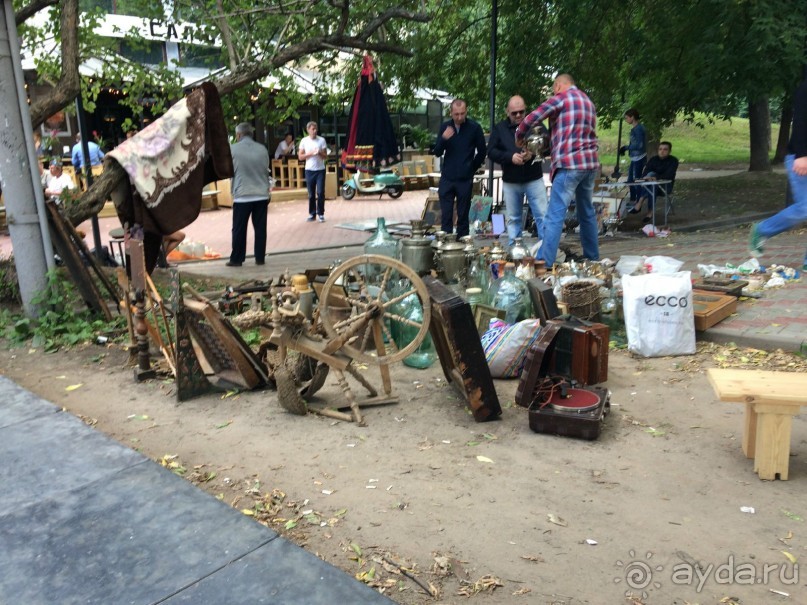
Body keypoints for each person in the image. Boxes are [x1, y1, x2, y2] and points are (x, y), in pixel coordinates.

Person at [515, 74, 600, 267]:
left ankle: (544, 264)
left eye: (554, 88)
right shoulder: (588, 101)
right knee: (586, 212)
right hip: (589, 164)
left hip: (569, 164)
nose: (554, 92)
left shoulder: (561, 98)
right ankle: (593, 259)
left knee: (554, 215)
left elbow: (533, 117)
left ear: (559, 85)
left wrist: (519, 135)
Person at [749, 76, 807, 264]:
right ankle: (762, 229)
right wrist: (801, 155)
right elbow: (800, 122)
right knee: (805, 207)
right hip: (801, 157)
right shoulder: (805, 88)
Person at [487, 95, 548, 245]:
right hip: (511, 180)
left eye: (522, 111)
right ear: (507, 111)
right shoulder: (499, 128)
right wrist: (510, 157)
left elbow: (549, 145)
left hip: (534, 178)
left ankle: (546, 252)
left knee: (543, 216)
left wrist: (533, 153)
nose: (519, 115)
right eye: (514, 113)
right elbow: (491, 151)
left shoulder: (536, 125)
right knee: (513, 219)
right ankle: (515, 254)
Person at [432, 98, 487, 238]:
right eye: (456, 114)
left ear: (466, 111)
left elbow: (482, 152)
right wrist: (443, 139)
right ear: (451, 113)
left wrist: (471, 169)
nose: (459, 117)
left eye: (462, 113)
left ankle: (463, 248)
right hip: (447, 178)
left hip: (464, 179)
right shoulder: (445, 127)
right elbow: (437, 152)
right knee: (446, 216)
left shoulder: (474, 128)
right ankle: (446, 247)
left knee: (462, 216)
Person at [227, 122, 271, 267]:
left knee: (239, 229)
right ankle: (260, 258)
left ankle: (237, 259)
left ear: (238, 135)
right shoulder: (262, 149)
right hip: (261, 194)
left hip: (242, 194)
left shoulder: (233, 149)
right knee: (260, 229)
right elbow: (266, 170)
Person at [630, 141, 679, 223]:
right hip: (652, 186)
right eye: (660, 149)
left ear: (669, 151)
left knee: (652, 182)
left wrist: (655, 178)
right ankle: (649, 212)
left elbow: (669, 175)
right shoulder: (653, 159)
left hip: (666, 186)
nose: (662, 151)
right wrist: (647, 177)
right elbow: (646, 171)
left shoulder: (673, 161)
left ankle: (641, 203)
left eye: (665, 149)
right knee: (651, 181)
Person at [298, 121, 328, 222]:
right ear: (308, 130)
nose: (314, 131)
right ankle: (312, 213)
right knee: (311, 194)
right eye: (312, 129)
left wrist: (319, 152)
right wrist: (310, 153)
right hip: (309, 170)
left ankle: (321, 213)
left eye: (316, 129)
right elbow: (300, 157)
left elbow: (325, 156)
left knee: (320, 192)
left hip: (320, 170)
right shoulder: (304, 141)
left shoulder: (321, 140)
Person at [619, 108, 646, 207]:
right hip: (634, 157)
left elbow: (639, 145)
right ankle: (633, 200)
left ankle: (637, 201)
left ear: (632, 117)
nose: (626, 120)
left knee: (636, 180)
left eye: (627, 118)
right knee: (631, 180)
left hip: (639, 158)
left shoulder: (638, 129)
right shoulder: (635, 129)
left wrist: (626, 147)